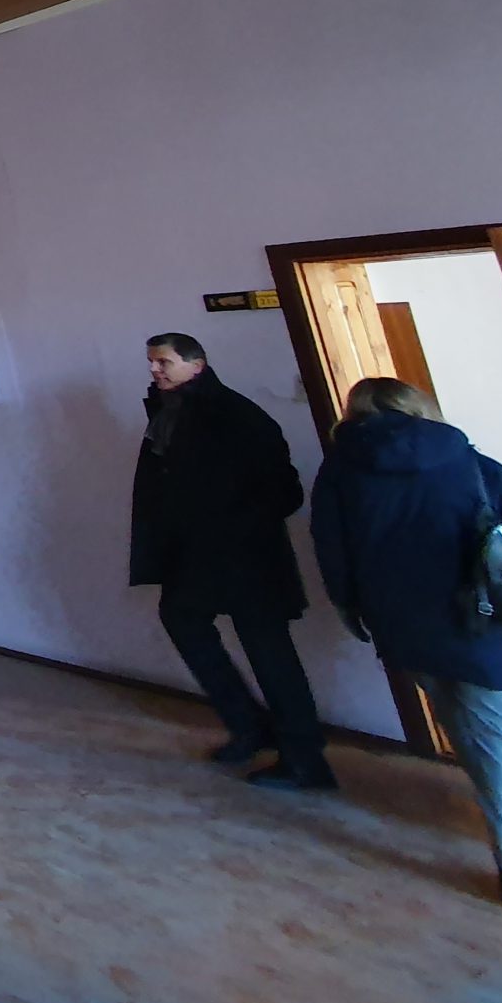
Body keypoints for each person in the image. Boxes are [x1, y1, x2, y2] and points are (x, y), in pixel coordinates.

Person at [312, 378, 502, 910]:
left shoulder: (339, 470)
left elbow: (332, 549)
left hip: (403, 627)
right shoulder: (463, 456)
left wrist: (351, 610)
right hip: (482, 623)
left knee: (471, 733)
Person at [130, 333, 333, 789]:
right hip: (200, 555)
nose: (154, 370)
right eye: (152, 362)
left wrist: (230, 522)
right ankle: (250, 726)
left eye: (164, 362)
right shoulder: (172, 412)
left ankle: (303, 758)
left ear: (196, 365)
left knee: (268, 649)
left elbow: (284, 491)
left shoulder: (237, 416)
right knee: (184, 620)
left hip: (245, 557)